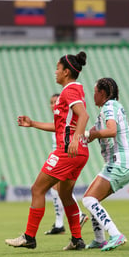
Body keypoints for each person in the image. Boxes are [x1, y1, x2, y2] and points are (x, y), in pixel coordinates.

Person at [5, 51, 89, 250]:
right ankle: (77, 240)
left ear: (66, 72)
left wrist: (75, 139)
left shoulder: (69, 91)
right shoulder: (75, 90)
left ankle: (29, 237)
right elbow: (61, 126)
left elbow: (84, 116)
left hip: (67, 151)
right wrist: (33, 123)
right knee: (65, 194)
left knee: (37, 189)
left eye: (58, 69)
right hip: (79, 153)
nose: (55, 72)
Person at [82, 78, 129, 251]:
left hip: (120, 161)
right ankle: (99, 239)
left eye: (95, 91)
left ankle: (116, 234)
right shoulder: (109, 109)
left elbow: (111, 130)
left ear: (103, 93)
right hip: (124, 162)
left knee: (89, 199)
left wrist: (91, 134)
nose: (93, 95)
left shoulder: (109, 107)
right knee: (92, 198)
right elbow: (91, 134)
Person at [45, 93, 88, 235]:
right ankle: (59, 224)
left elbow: (78, 126)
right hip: (60, 155)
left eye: (55, 102)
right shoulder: (58, 120)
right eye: (51, 102)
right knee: (56, 188)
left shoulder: (66, 118)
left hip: (66, 157)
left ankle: (78, 215)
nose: (53, 105)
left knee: (61, 190)